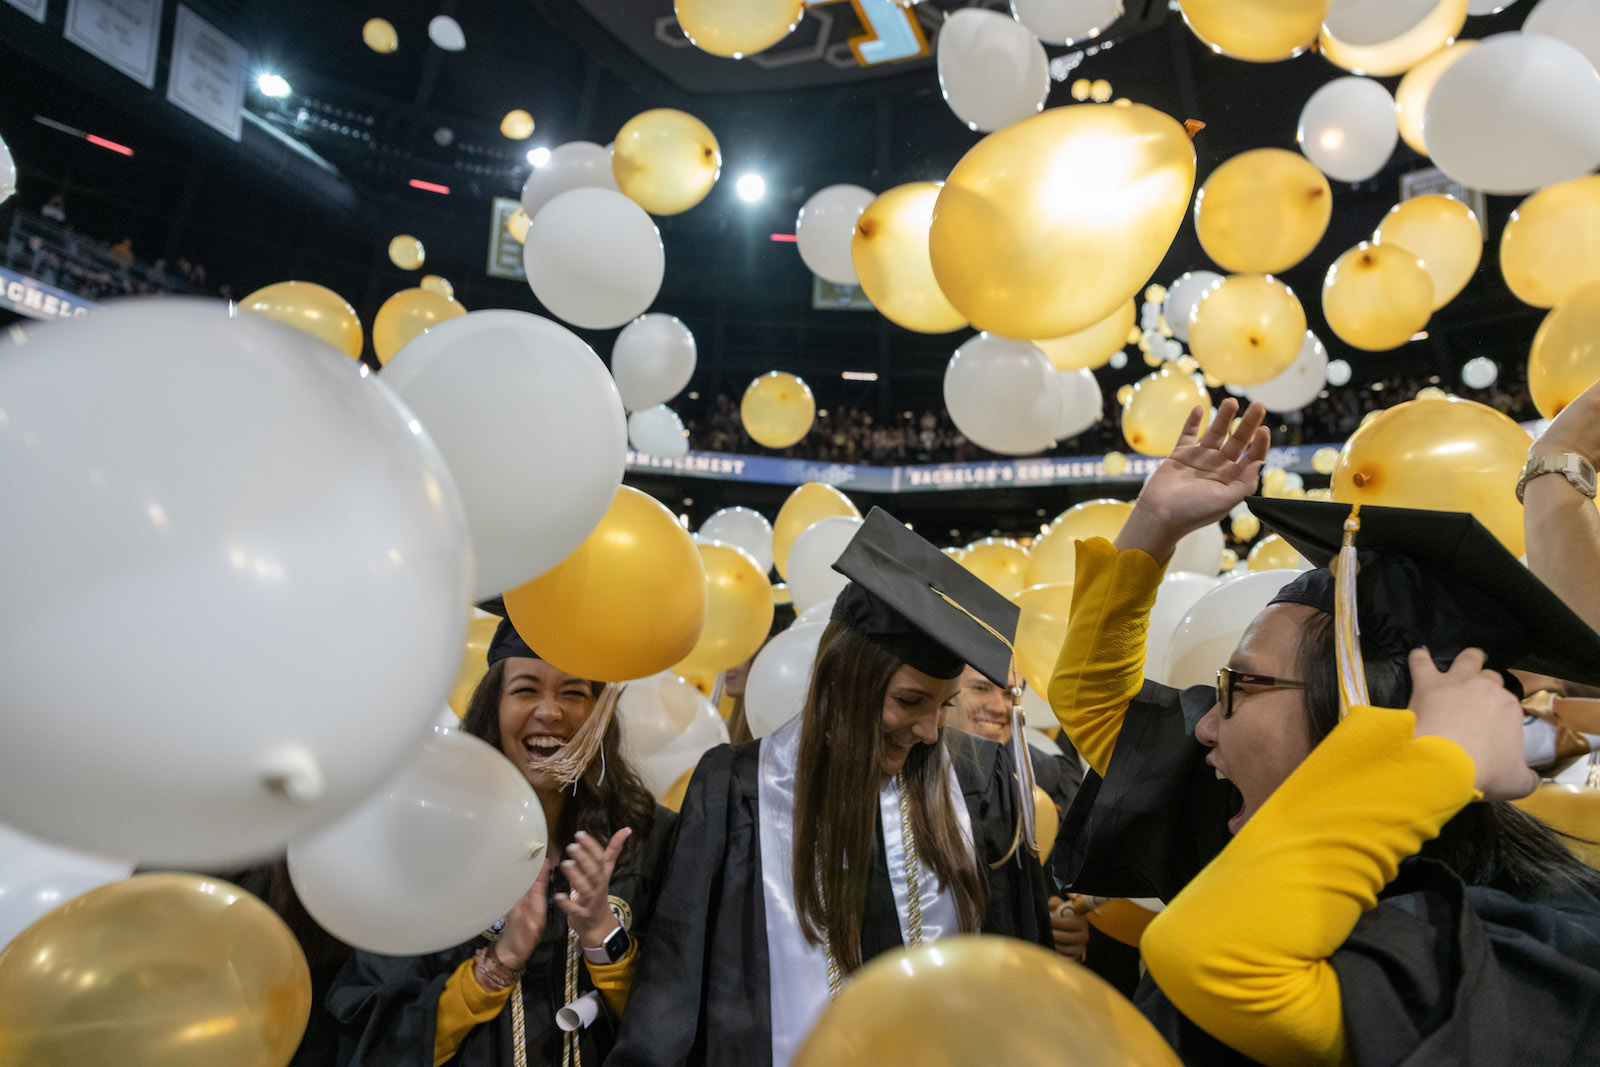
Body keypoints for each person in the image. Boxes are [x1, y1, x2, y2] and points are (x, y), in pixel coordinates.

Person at [1051, 397, 1600, 1066]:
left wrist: (1435, 753)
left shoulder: (1506, 948)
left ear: (1355, 703)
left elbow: (1215, 957)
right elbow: (1098, 703)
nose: (1206, 726)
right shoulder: (1270, 815)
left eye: (1240, 688)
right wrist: (1155, 523)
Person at [610, 508, 1052, 1066]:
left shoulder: (979, 783)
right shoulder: (735, 788)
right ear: (845, 680)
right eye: (910, 701)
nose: (930, 730)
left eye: (944, 705)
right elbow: (672, 994)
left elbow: (1024, 974)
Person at [329, 617, 673, 1066]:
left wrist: (604, 939)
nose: (549, 711)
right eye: (525, 689)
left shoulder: (650, 840)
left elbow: (684, 1025)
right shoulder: (426, 845)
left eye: (573, 692)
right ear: (494, 707)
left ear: (598, 718)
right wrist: (496, 966)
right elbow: (373, 1036)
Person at [947, 666, 1098, 966]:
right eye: (980, 688)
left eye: (1010, 694)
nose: (1000, 707)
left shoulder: (1045, 785)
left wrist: (1063, 927)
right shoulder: (902, 786)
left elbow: (1054, 897)